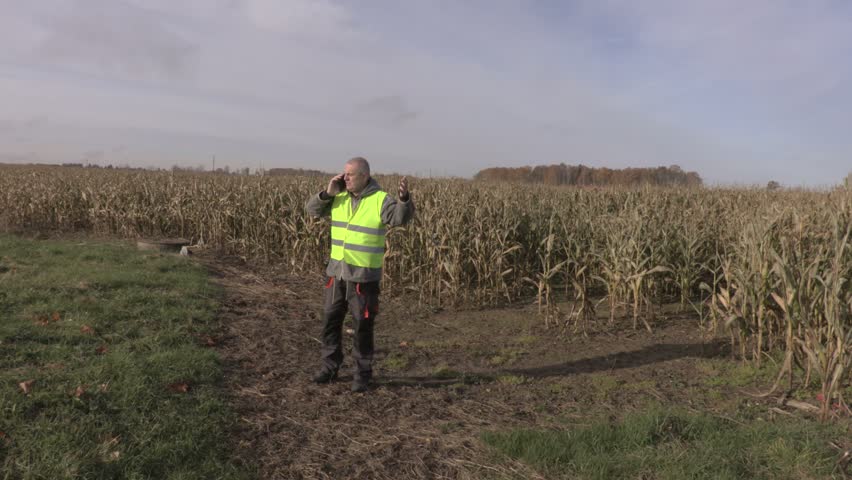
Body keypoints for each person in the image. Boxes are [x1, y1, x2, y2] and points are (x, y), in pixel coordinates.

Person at [305, 157, 415, 392]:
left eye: (350, 175)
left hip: (363, 278)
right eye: (344, 174)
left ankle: (362, 376)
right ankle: (329, 367)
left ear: (365, 176)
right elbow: (311, 210)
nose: (345, 178)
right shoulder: (339, 197)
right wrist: (327, 193)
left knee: (362, 326)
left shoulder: (380, 199)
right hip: (336, 274)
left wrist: (404, 200)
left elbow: (399, 218)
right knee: (330, 322)